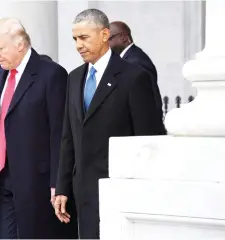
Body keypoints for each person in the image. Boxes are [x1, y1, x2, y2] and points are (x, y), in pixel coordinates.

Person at [54, 9, 166, 239]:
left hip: (120, 191)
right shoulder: (74, 78)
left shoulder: (134, 77)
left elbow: (149, 139)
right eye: (75, 39)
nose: (78, 45)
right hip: (83, 192)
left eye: (84, 37)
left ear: (105, 34)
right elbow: (69, 136)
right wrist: (62, 187)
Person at [0, 18, 78, 239]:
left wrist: (58, 182)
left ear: (20, 44)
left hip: (37, 181)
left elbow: (59, 133)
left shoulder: (51, 74)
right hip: (1, 177)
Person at [109, 21, 163, 111]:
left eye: (108, 39)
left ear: (123, 38)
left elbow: (145, 100)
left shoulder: (136, 62)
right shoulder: (128, 59)